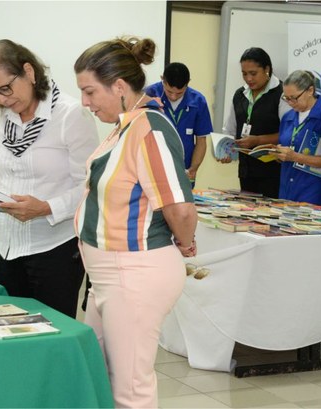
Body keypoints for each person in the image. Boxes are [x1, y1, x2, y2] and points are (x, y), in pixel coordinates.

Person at [73, 36, 197, 408]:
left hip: (134, 272)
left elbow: (180, 207)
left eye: (90, 92)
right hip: (111, 274)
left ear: (120, 87)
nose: (85, 103)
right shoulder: (124, 125)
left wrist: (186, 244)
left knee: (130, 388)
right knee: (100, 371)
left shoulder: (149, 128)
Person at [0, 39, 98, 318]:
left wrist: (46, 208)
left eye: (6, 88)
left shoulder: (70, 115)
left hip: (54, 247)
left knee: (51, 332)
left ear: (29, 71)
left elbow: (89, 186)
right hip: (6, 245)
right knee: (11, 329)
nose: (2, 99)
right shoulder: (0, 117)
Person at [222, 47, 292, 198]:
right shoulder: (240, 94)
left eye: (253, 73)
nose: (248, 79)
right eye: (244, 74)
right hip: (246, 170)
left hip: (273, 172)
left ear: (267, 69)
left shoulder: (281, 94)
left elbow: (289, 133)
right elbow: (230, 129)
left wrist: (258, 140)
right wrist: (226, 149)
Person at [273, 70, 321, 206]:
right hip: (286, 191)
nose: (290, 102)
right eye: (286, 98)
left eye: (294, 97)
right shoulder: (288, 117)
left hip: (312, 193)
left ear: (310, 91)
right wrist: (278, 154)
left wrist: (295, 156)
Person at [145, 62, 213, 186]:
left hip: (184, 171)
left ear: (188, 83)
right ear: (162, 80)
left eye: (179, 93)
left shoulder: (198, 101)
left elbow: (201, 141)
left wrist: (194, 168)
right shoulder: (148, 96)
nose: (174, 96)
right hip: (153, 170)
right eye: (169, 91)